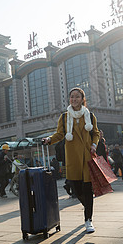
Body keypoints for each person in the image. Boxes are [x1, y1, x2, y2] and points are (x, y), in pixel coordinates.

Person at [43, 87, 100, 233]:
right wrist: (49, 139)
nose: (74, 99)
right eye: (72, 97)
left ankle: (88, 220)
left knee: (87, 190)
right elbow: (59, 134)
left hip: (87, 156)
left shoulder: (90, 115)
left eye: (77, 97)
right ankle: (87, 207)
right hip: (73, 157)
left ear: (82, 99)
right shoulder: (64, 117)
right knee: (76, 188)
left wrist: (94, 145)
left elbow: (95, 133)